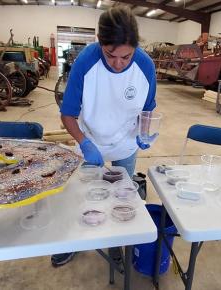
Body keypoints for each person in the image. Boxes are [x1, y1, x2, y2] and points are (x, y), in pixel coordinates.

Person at [51, 6, 157, 267]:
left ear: (135, 48)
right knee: (81, 197)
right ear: (100, 42)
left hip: (126, 143)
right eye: (111, 55)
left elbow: (148, 109)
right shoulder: (86, 61)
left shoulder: (144, 65)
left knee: (122, 197)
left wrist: (144, 132)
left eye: (126, 56)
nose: (119, 63)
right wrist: (84, 143)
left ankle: (115, 246)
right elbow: (68, 114)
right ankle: (73, 242)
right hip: (91, 140)